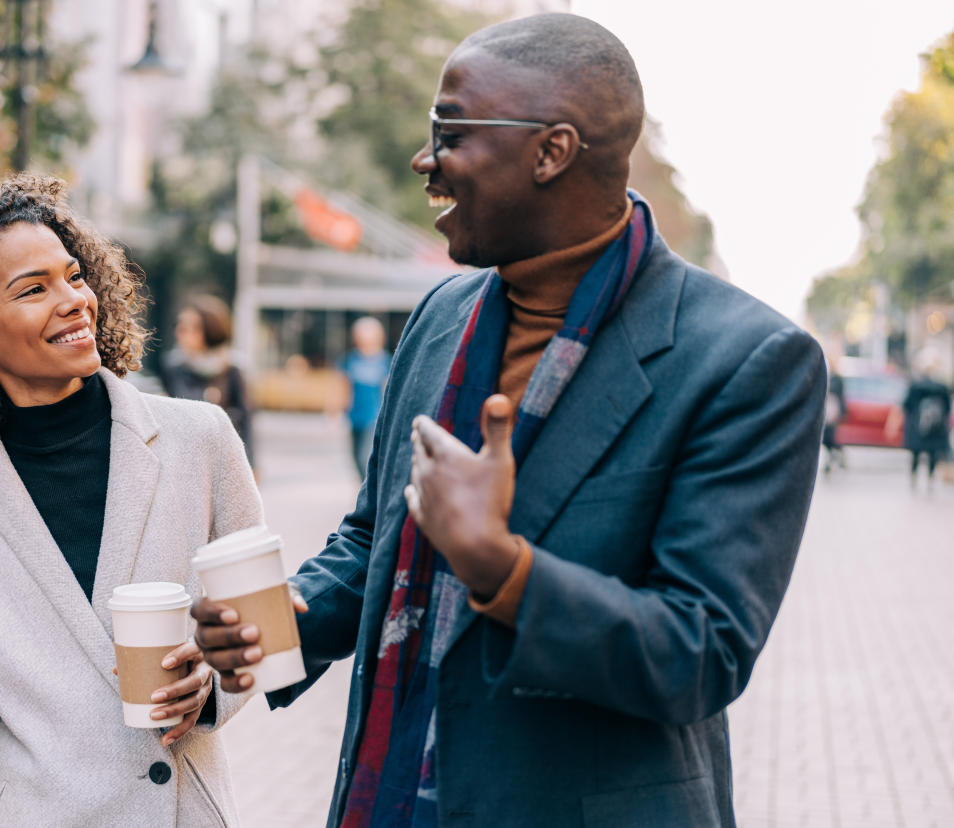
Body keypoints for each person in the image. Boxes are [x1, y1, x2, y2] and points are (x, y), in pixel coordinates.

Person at [193, 13, 826, 827]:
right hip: (392, 796)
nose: (426, 160)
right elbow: (371, 538)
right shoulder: (440, 316)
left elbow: (699, 653)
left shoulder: (747, 359)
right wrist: (280, 619)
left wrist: (501, 567)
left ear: (551, 151)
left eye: (449, 132)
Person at [0, 175, 259, 827]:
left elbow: (261, 630)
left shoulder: (200, 440)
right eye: (33, 289)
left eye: (74, 276)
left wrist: (207, 689)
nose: (72, 301)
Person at [159, 294, 254, 466]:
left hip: (223, 458)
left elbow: (246, 420)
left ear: (210, 330)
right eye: (179, 325)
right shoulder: (173, 367)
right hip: (183, 459)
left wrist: (251, 463)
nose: (180, 332)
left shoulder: (232, 369)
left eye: (191, 328)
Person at [336, 316, 392, 480]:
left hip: (374, 417)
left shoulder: (386, 361)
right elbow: (342, 387)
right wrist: (336, 412)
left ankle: (368, 490)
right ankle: (366, 488)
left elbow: (386, 390)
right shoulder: (349, 360)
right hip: (355, 416)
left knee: (364, 457)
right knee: (354, 456)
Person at [902, 352, 951, 489]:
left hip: (917, 426)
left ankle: (914, 479)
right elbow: (947, 408)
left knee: (916, 454)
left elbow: (907, 405)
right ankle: (930, 480)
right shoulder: (941, 388)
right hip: (936, 427)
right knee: (932, 454)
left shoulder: (916, 386)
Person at [823, 369, 846, 472]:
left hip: (832, 411)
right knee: (827, 438)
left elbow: (841, 396)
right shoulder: (830, 377)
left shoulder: (837, 379)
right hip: (827, 411)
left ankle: (834, 458)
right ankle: (834, 457)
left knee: (830, 436)